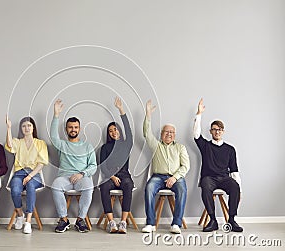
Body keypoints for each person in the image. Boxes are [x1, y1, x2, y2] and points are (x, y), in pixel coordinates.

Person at [193, 98, 243, 232]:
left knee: (235, 187)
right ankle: (213, 220)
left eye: (220, 129)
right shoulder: (205, 146)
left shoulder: (230, 149)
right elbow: (196, 134)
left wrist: (240, 188)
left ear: (223, 131)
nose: (217, 132)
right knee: (205, 185)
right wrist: (199, 114)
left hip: (224, 178)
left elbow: (234, 170)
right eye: (214, 129)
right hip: (209, 178)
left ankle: (231, 220)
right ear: (210, 131)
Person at [142, 100, 190, 234]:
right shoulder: (156, 145)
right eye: (166, 131)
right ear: (161, 133)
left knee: (182, 190)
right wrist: (148, 115)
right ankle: (150, 223)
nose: (169, 134)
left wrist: (174, 177)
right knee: (149, 188)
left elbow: (185, 166)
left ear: (175, 135)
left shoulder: (180, 147)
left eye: (172, 132)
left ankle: (176, 224)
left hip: (176, 177)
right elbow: (146, 132)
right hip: (158, 176)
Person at [50, 99, 97, 233]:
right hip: (64, 178)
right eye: (70, 127)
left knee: (89, 186)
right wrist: (56, 115)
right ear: (66, 129)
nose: (73, 129)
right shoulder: (62, 145)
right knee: (55, 185)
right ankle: (64, 220)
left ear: (79, 129)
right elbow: (53, 136)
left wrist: (81, 174)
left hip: (82, 177)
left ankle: (80, 219)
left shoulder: (87, 146)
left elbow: (93, 166)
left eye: (75, 127)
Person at [5, 116, 49, 234]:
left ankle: (28, 221)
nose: (26, 128)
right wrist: (8, 128)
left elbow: (41, 164)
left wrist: (30, 176)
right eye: (24, 126)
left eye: (29, 125)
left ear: (33, 127)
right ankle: (20, 215)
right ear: (21, 128)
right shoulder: (18, 142)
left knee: (30, 186)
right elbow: (10, 145)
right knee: (15, 189)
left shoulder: (40, 143)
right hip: (19, 173)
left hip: (34, 175)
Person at [99, 97, 134, 234]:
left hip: (124, 175)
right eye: (110, 131)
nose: (114, 132)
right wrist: (112, 177)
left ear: (119, 130)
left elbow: (129, 130)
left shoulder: (126, 144)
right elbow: (102, 167)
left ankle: (123, 222)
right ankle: (111, 222)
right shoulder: (105, 147)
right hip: (110, 176)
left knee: (128, 185)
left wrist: (121, 110)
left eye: (115, 130)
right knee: (104, 187)